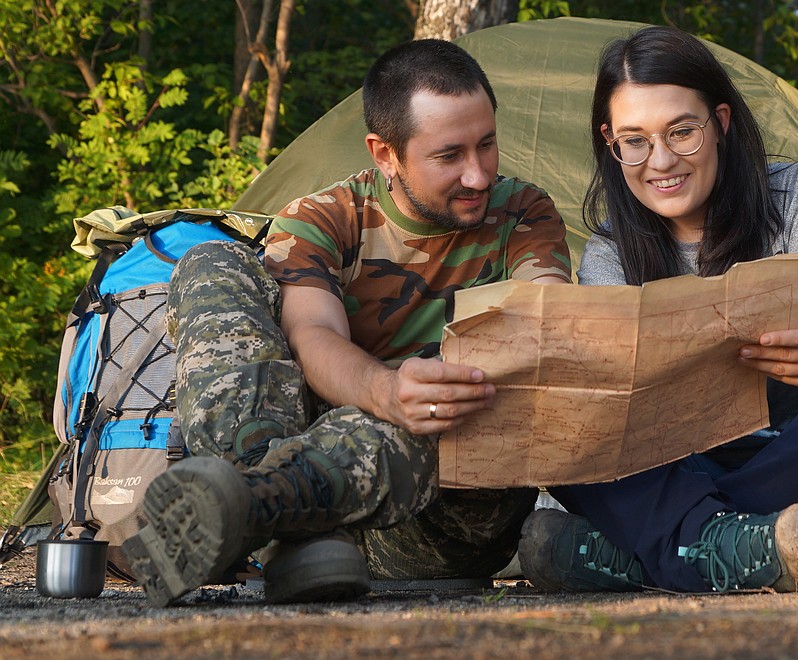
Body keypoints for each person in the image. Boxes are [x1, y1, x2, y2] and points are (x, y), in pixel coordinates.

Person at [517, 26, 798, 594]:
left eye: (682, 131)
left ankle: (670, 547)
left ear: (722, 123)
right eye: (634, 141)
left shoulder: (792, 196)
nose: (660, 161)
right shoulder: (612, 252)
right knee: (554, 411)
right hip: (683, 469)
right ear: (610, 142)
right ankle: (730, 543)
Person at [124, 39, 571, 607]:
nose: (479, 175)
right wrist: (387, 389)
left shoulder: (524, 213)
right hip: (319, 458)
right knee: (211, 262)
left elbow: (545, 318)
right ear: (385, 154)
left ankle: (252, 509)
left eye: (488, 145)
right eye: (449, 156)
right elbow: (314, 336)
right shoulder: (324, 219)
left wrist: (424, 394)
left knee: (459, 400)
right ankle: (286, 525)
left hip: (437, 517)